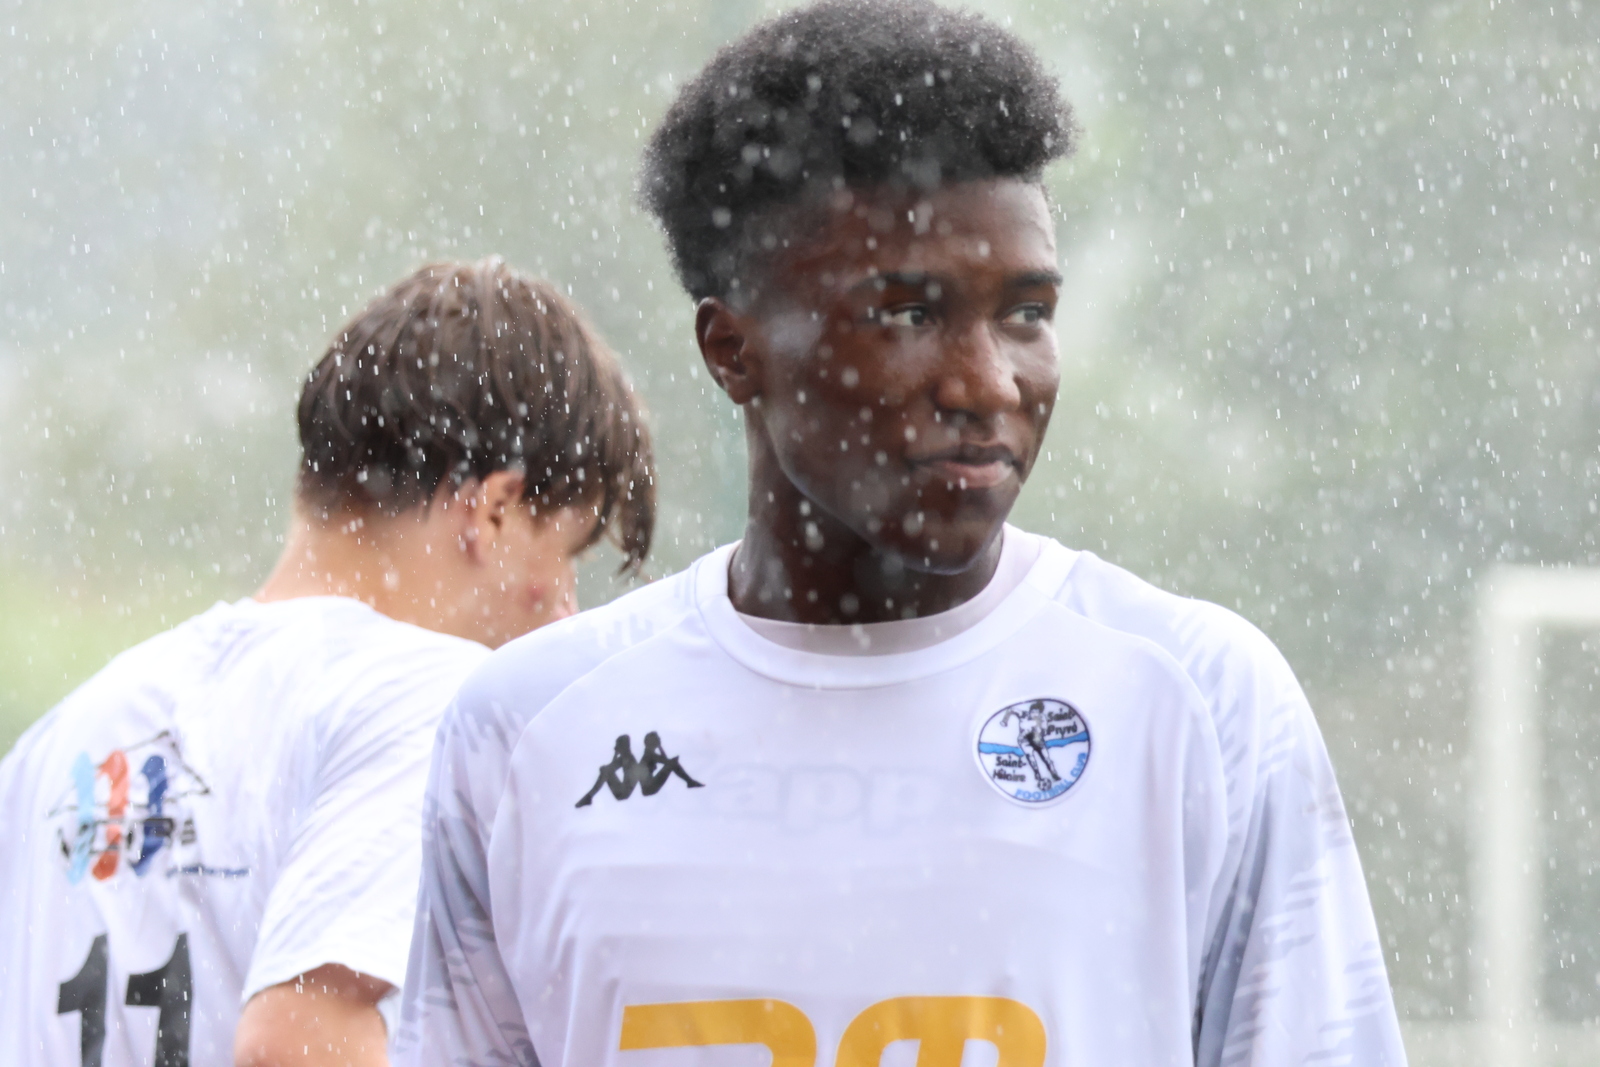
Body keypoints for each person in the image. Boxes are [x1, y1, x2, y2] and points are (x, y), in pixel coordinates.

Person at [395, 2, 1407, 1064]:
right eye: (910, 314)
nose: (988, 382)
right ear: (733, 350)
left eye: (1025, 312)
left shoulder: (1197, 701)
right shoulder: (528, 730)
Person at [0, 258, 654, 1067]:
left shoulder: (58, 743)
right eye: (567, 553)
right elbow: (297, 1045)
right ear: (493, 511)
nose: (566, 610)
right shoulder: (429, 705)